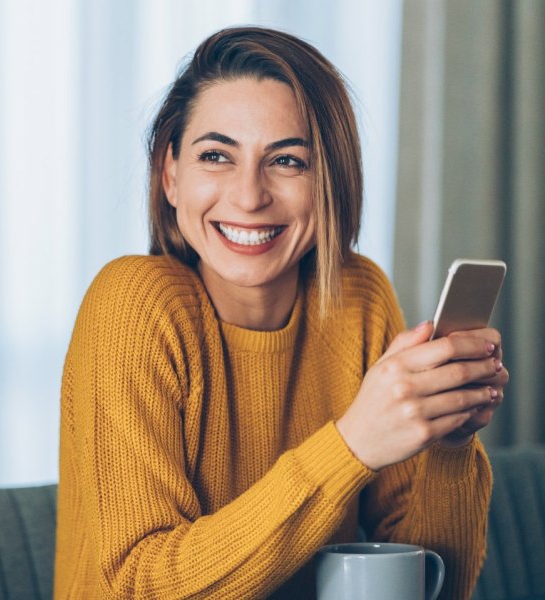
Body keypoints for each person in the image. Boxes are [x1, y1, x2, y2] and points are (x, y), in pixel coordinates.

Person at [54, 26, 507, 599]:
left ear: (330, 182)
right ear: (171, 174)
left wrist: (448, 440)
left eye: (287, 161)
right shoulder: (132, 306)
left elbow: (432, 583)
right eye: (216, 155)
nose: (249, 196)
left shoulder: (356, 297)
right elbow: (142, 585)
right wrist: (350, 447)